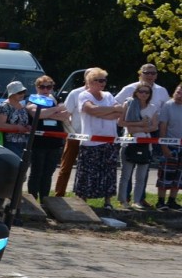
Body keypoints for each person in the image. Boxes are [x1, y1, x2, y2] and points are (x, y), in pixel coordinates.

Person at [73, 68, 122, 210]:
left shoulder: (108, 95)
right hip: (91, 142)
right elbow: (91, 110)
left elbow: (119, 111)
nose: (102, 83)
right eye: (99, 80)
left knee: (108, 172)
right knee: (88, 172)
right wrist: (108, 110)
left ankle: (108, 201)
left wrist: (100, 111)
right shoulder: (84, 95)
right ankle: (83, 200)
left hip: (109, 140)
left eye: (104, 80)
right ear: (90, 81)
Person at [25, 76, 70, 201]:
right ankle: (33, 199)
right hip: (38, 143)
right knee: (36, 172)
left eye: (48, 87)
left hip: (55, 143)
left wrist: (48, 113)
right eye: (42, 87)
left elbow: (65, 115)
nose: (45, 90)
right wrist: (56, 110)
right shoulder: (32, 99)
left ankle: (45, 200)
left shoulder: (56, 99)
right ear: (37, 87)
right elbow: (36, 114)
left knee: (48, 174)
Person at [117, 83, 158, 209]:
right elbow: (121, 123)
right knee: (126, 175)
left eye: (147, 92)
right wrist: (141, 123)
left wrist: (141, 128)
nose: (144, 94)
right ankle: (123, 200)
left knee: (141, 176)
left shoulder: (152, 108)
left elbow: (154, 126)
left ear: (150, 95)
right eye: (141, 91)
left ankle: (137, 201)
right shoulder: (128, 104)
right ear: (136, 93)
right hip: (129, 142)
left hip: (145, 144)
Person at [54, 76, 90, 197]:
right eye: (95, 79)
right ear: (86, 79)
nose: (99, 82)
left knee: (86, 169)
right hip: (74, 135)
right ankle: (59, 195)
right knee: (66, 167)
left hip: (91, 137)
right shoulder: (75, 93)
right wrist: (69, 129)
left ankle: (82, 196)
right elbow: (66, 114)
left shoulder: (101, 95)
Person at [155, 84, 182, 211]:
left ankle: (172, 200)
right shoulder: (168, 105)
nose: (179, 95)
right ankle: (160, 201)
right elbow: (163, 127)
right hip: (170, 145)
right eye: (178, 92)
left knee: (179, 176)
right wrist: (164, 147)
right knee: (165, 175)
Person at [0, 81, 31, 159]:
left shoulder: (22, 106)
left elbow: (23, 122)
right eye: (19, 92)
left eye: (23, 92)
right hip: (9, 143)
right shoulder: (4, 106)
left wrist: (27, 126)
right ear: (11, 94)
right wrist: (17, 127)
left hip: (24, 142)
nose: (22, 94)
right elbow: (0, 125)